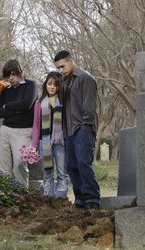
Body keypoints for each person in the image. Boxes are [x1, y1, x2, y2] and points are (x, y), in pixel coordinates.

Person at [54, 50, 100, 209]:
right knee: (71, 166)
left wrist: (86, 128)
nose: (60, 70)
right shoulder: (65, 81)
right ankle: (80, 200)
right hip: (69, 131)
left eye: (62, 66)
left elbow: (89, 107)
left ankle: (92, 200)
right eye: (58, 68)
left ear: (71, 61)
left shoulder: (85, 78)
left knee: (83, 163)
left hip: (83, 129)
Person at [0, 59, 37, 187]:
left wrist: (7, 106)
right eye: (8, 76)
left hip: (23, 131)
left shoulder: (31, 85)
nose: (11, 78)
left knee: (19, 164)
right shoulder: (6, 90)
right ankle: (6, 193)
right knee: (3, 166)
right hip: (5, 130)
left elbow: (26, 104)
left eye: (13, 74)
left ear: (19, 72)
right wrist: (16, 111)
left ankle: (22, 193)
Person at [32, 71, 69, 198]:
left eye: (55, 84)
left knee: (62, 172)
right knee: (47, 172)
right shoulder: (39, 103)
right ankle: (48, 198)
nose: (52, 87)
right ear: (45, 85)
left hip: (60, 142)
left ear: (59, 86)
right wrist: (34, 145)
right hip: (45, 142)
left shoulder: (64, 102)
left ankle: (61, 199)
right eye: (49, 84)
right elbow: (36, 125)